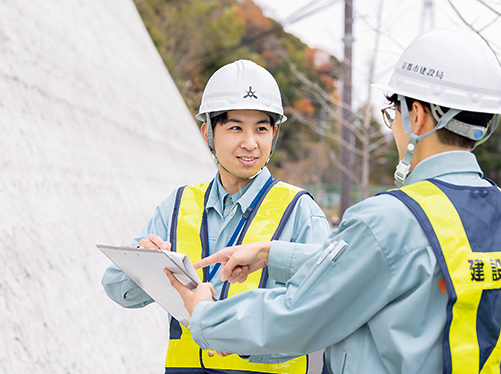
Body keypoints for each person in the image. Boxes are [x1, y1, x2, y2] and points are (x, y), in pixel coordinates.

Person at [165, 28, 501, 373]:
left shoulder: (389, 220)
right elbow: (386, 265)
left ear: (416, 116)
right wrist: (271, 254)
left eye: (393, 113)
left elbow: (298, 316)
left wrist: (206, 315)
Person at [101, 59, 331, 373]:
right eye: (235, 127)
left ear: (274, 133)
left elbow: (324, 311)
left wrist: (239, 338)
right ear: (207, 131)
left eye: (261, 129)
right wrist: (147, 261)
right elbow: (118, 290)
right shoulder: (178, 205)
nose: (250, 143)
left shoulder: (300, 212)